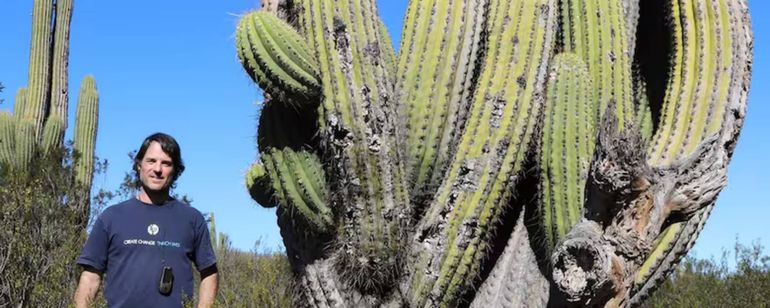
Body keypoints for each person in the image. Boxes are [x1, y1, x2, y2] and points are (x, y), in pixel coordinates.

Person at [73, 133, 218, 307]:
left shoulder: (192, 219)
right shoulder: (111, 217)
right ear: (139, 165)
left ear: (175, 170)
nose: (158, 169)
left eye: (166, 163)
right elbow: (90, 277)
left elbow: (209, 272)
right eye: (151, 161)